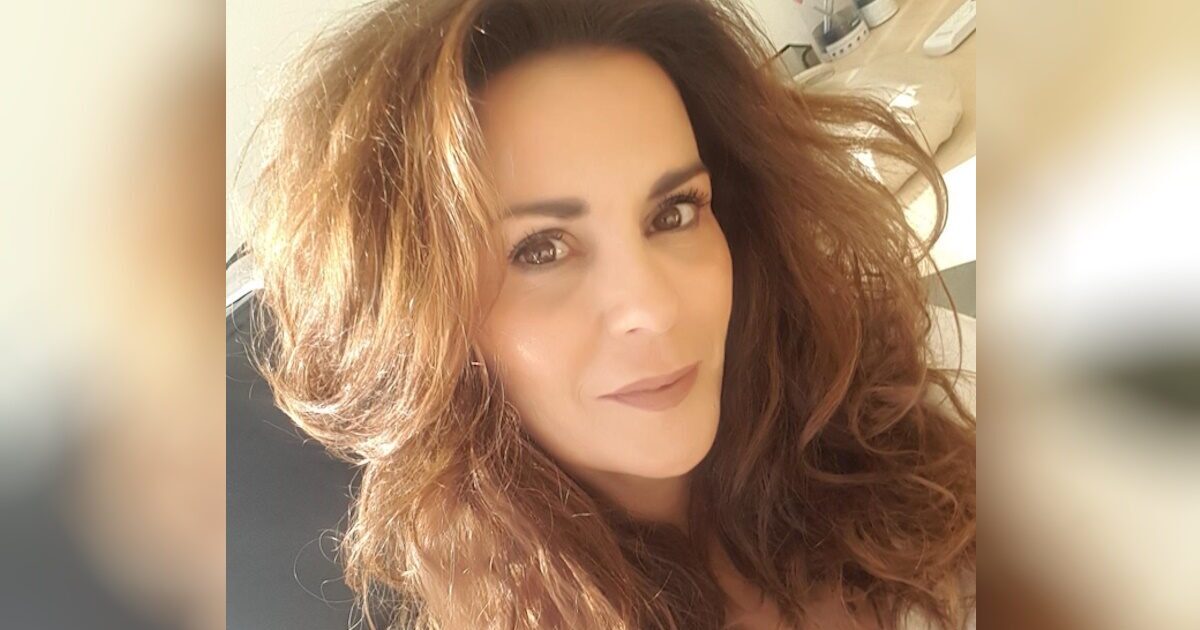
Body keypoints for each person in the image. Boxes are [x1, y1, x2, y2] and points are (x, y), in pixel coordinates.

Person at [246, 0, 976, 628]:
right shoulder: (503, 604)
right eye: (540, 250)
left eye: (674, 212)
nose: (651, 307)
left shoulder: (901, 394)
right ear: (424, 324)